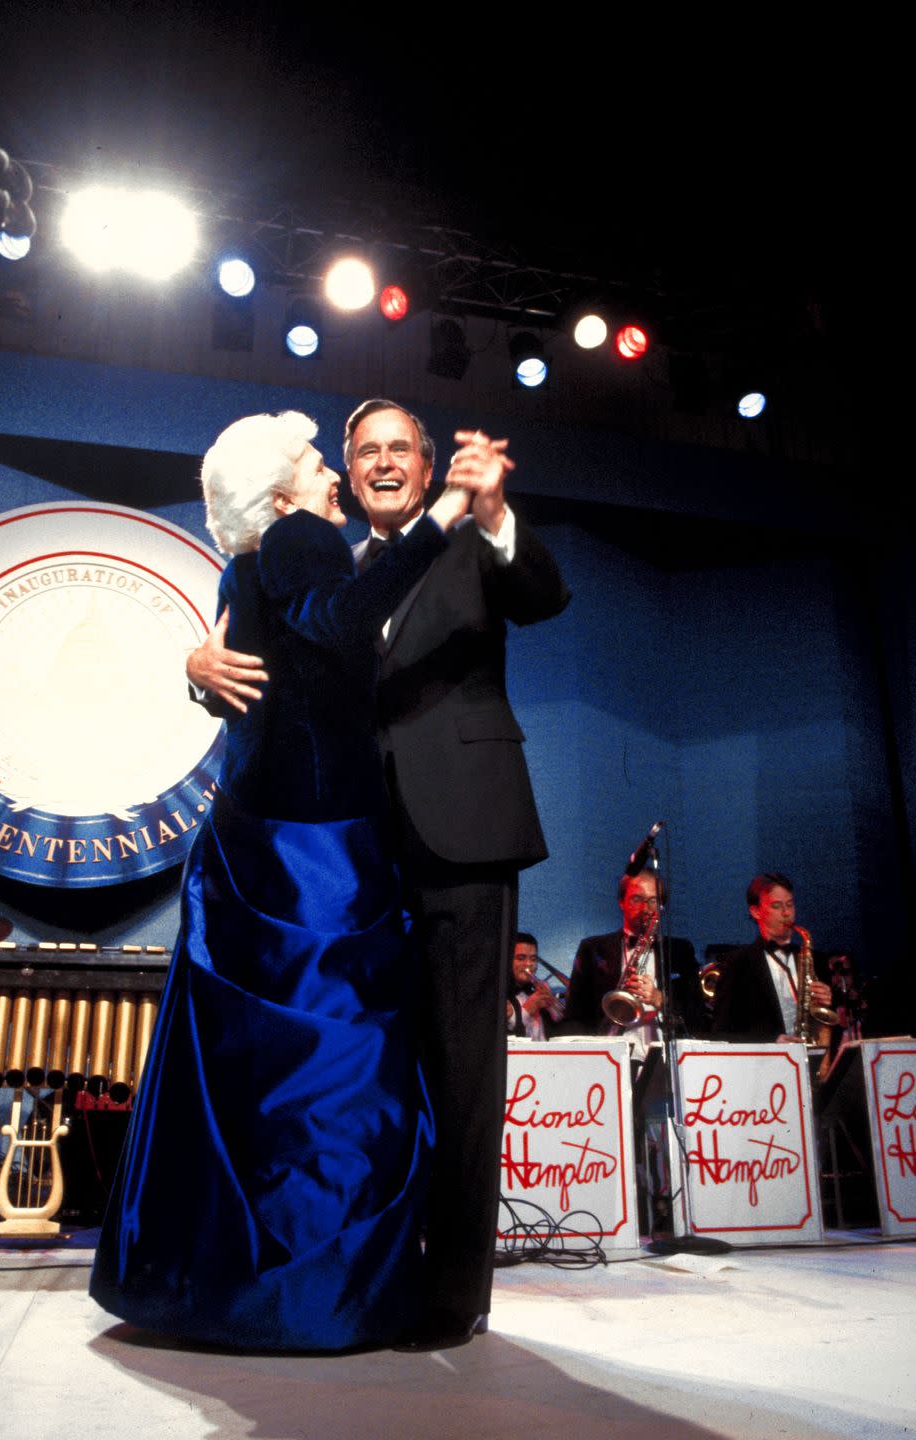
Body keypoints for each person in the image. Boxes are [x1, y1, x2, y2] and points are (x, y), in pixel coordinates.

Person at [90, 410, 502, 1351]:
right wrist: (444, 512)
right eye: (318, 463)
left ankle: (236, 1276)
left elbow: (265, 656)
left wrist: (200, 664)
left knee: (258, 1084)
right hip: (313, 857)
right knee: (334, 1079)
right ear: (280, 496)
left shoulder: (252, 563)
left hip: (254, 842)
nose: (331, 476)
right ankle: (323, 1287)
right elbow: (344, 618)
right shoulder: (302, 537)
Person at [187, 398, 570, 1349]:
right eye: (365, 452)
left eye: (402, 448)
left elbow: (546, 595)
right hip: (358, 860)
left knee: (463, 1066)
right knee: (380, 1080)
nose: (383, 462)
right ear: (349, 475)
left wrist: (492, 515)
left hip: (462, 836)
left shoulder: (473, 542)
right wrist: (195, 665)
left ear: (429, 463)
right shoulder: (329, 562)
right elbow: (257, 661)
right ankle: (383, 1269)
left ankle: (455, 1293)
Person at [561, 869, 704, 1055]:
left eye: (654, 900)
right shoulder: (592, 948)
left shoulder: (681, 951)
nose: (646, 908)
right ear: (622, 902)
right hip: (610, 1056)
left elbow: (697, 1013)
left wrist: (661, 1000)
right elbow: (575, 1016)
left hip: (664, 1058)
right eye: (637, 899)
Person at [712, 871, 834, 1042]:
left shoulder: (817, 960)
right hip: (765, 1064)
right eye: (776, 906)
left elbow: (833, 1023)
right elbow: (722, 1033)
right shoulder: (737, 964)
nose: (786, 913)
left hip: (812, 1058)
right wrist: (772, 1042)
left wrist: (828, 1002)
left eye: (790, 905)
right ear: (756, 911)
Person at [506, 931, 563, 1040]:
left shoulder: (536, 993)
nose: (529, 964)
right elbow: (505, 1038)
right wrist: (529, 1008)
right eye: (521, 958)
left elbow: (562, 1032)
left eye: (533, 959)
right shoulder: (500, 995)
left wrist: (552, 1007)